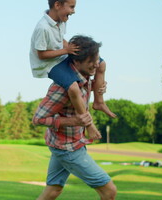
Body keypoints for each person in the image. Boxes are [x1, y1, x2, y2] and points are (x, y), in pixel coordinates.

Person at [32, 35, 117, 200]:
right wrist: (74, 121)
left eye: (96, 59)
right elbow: (38, 119)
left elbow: (85, 89)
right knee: (109, 191)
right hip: (68, 149)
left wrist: (97, 88)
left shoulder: (85, 78)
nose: (95, 64)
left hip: (64, 143)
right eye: (90, 61)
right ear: (76, 62)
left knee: (53, 191)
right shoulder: (61, 88)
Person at [29, 0, 116, 139]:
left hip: (61, 56)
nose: (73, 11)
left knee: (100, 63)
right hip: (49, 65)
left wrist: (75, 49)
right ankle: (88, 125)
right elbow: (41, 55)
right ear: (57, 5)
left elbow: (59, 40)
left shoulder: (61, 21)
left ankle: (99, 102)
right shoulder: (42, 28)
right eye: (71, 6)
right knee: (74, 88)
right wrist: (66, 51)